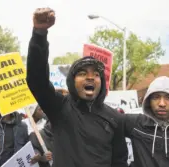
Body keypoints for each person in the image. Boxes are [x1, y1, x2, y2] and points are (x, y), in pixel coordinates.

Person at [26, 7, 128, 167]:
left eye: (95, 74)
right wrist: (39, 34)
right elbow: (37, 80)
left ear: (101, 81)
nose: (90, 77)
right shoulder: (59, 107)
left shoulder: (114, 118)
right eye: (82, 73)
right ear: (72, 81)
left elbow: (119, 161)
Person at [123, 76, 169, 167]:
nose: (162, 104)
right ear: (148, 101)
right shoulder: (135, 123)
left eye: (168, 98)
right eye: (156, 97)